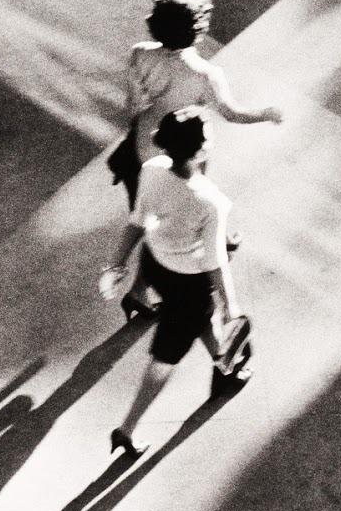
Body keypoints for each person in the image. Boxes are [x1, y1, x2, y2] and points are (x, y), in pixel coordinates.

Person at [108, 0, 281, 317]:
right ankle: (142, 289)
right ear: (198, 30)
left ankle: (208, 239)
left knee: (149, 211)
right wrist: (265, 114)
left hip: (145, 145)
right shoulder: (206, 75)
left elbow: (132, 105)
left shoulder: (139, 54)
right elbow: (232, 113)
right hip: (186, 147)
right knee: (176, 209)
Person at [105, 109, 248, 462]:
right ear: (199, 152)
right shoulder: (209, 201)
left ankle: (225, 367)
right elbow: (215, 259)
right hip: (188, 283)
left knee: (202, 315)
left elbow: (138, 222)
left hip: (155, 265)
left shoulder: (152, 169)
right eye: (209, 138)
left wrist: (118, 262)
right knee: (164, 360)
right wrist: (233, 306)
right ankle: (126, 430)